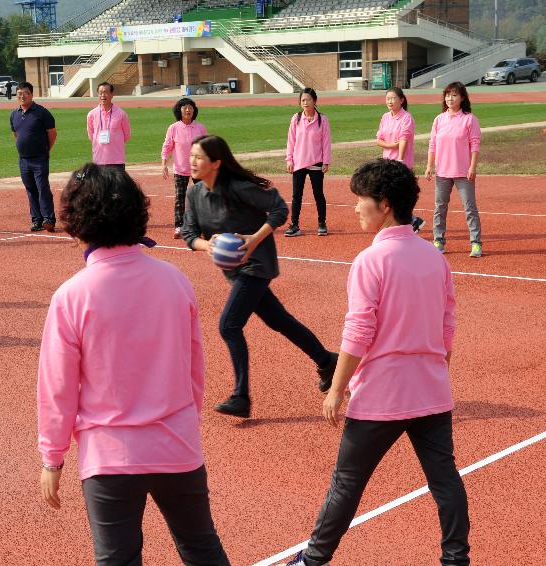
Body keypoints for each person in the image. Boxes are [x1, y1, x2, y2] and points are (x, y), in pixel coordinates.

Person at [37, 163, 230, 566]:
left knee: (117, 560)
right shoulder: (174, 280)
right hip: (176, 445)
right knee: (202, 550)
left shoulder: (72, 296)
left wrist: (52, 458)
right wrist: (182, 423)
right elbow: (194, 367)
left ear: (78, 222)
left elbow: (58, 388)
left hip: (109, 457)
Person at [285, 159, 469, 566]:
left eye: (360, 200)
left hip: (382, 395)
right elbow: (447, 326)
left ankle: (312, 560)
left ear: (384, 204)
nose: (355, 208)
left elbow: (358, 330)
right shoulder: (434, 257)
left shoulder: (371, 260)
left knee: (347, 483)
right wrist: (437, 370)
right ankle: (456, 560)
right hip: (432, 391)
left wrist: (335, 389)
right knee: (445, 481)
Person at [182, 135, 338, 418]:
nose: (192, 161)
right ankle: (327, 361)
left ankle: (241, 396)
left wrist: (254, 239)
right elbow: (190, 234)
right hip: (233, 269)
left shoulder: (239, 188)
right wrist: (209, 245)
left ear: (216, 162)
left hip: (256, 263)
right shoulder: (194, 194)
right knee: (279, 320)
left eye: (199, 157)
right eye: (191, 155)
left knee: (229, 326)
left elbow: (279, 208)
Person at [425, 82, 482, 257]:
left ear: (462, 98)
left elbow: (475, 145)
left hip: (463, 172)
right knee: (439, 208)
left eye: (454, 95)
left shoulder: (469, 119)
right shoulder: (439, 119)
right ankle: (438, 240)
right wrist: (429, 166)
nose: (450, 98)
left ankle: (476, 243)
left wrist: (472, 167)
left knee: (469, 208)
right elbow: (432, 144)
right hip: (442, 172)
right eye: (448, 94)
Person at [10, 81, 58, 232]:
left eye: (25, 93)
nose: (22, 96)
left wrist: (45, 150)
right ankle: (36, 220)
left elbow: (52, 134)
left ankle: (49, 219)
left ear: (31, 94)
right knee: (30, 189)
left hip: (39, 158)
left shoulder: (42, 112)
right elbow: (16, 134)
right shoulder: (14, 114)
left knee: (42, 188)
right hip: (23, 160)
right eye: (19, 94)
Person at [376, 86, 425, 233]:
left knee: (399, 195)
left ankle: (410, 221)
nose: (390, 101)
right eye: (387, 99)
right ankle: (412, 220)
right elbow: (379, 140)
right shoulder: (385, 117)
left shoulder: (406, 117)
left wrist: (400, 159)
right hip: (387, 162)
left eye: (393, 98)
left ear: (401, 100)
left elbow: (404, 139)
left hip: (400, 163)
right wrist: (391, 145)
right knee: (387, 195)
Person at [284, 87, 331, 237]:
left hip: (316, 163)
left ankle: (322, 223)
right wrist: (289, 160)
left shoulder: (322, 120)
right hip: (298, 163)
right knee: (296, 196)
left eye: (308, 99)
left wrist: (326, 161)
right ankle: (295, 225)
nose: (305, 102)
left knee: (319, 194)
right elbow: (291, 141)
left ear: (315, 101)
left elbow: (326, 142)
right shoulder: (296, 118)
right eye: (303, 100)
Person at [161, 97, 207, 239]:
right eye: (184, 107)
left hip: (198, 168)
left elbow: (206, 146)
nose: (188, 110)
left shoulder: (200, 127)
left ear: (194, 110)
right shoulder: (173, 128)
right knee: (180, 198)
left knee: (202, 197)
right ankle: (179, 226)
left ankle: (203, 226)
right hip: (180, 169)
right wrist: (164, 163)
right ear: (179, 110)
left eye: (190, 107)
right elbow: (167, 146)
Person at [87, 82, 131, 170]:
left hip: (117, 161)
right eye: (100, 93)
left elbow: (127, 136)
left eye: (105, 92)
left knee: (118, 184)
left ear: (112, 94)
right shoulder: (91, 114)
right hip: (98, 161)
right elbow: (91, 136)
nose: (103, 95)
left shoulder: (121, 114)